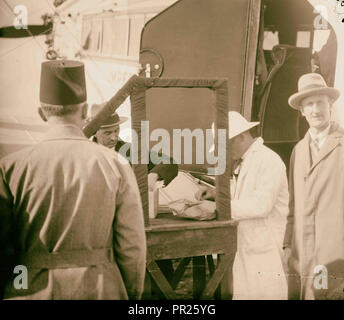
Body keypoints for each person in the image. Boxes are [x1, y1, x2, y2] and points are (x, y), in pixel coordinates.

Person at [0, 60, 146, 300]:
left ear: (41, 113)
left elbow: (4, 248)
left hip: (28, 288)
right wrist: (130, 293)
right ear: (85, 110)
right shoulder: (115, 164)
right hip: (100, 288)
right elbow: (133, 248)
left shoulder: (10, 168)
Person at [196, 111, 288, 299]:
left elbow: (262, 205)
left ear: (240, 137)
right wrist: (216, 195)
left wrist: (217, 208)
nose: (225, 152)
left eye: (225, 146)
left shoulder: (268, 160)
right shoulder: (247, 160)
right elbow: (244, 194)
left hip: (265, 247)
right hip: (250, 244)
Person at [284, 73, 344, 300]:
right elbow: (292, 206)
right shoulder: (298, 151)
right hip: (302, 254)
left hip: (335, 254)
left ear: (330, 104)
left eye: (320, 101)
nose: (315, 109)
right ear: (302, 111)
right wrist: (287, 246)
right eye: (309, 104)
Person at [88, 103, 178, 190]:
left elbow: (169, 162)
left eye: (116, 130)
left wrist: (154, 174)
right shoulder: (84, 154)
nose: (113, 137)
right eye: (107, 133)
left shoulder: (131, 151)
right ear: (94, 132)